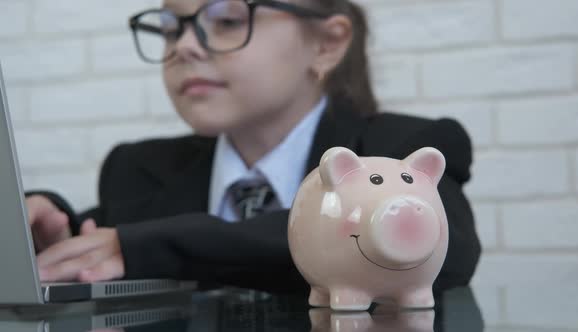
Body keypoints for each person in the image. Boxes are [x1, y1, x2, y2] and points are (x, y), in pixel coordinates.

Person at [26, 0, 480, 294]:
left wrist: (151, 245)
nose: (184, 46)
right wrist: (55, 232)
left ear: (327, 43)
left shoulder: (405, 150)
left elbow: (439, 251)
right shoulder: (138, 166)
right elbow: (112, 244)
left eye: (226, 21)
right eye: (169, 28)